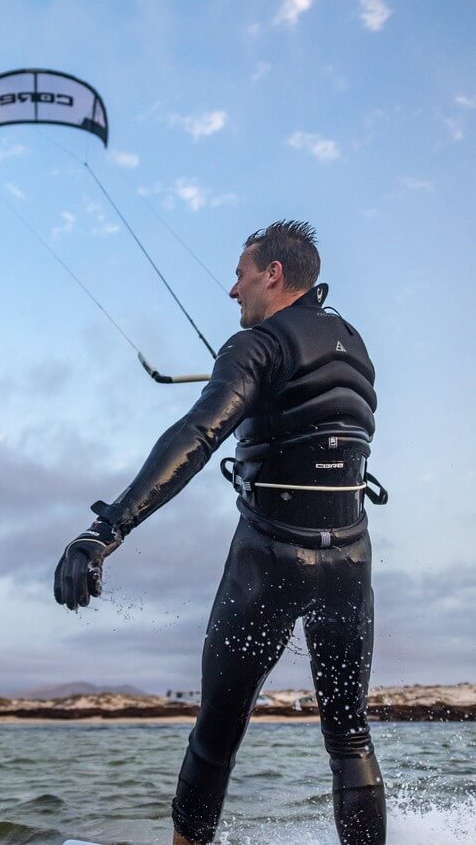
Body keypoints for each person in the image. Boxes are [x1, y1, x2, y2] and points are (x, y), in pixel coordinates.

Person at [54, 221, 388, 845]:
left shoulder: (257, 346)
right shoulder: (355, 346)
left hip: (270, 558)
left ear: (274, 275)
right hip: (352, 562)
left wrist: (107, 529)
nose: (232, 290)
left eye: (240, 274)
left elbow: (198, 434)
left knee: (218, 731)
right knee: (349, 735)